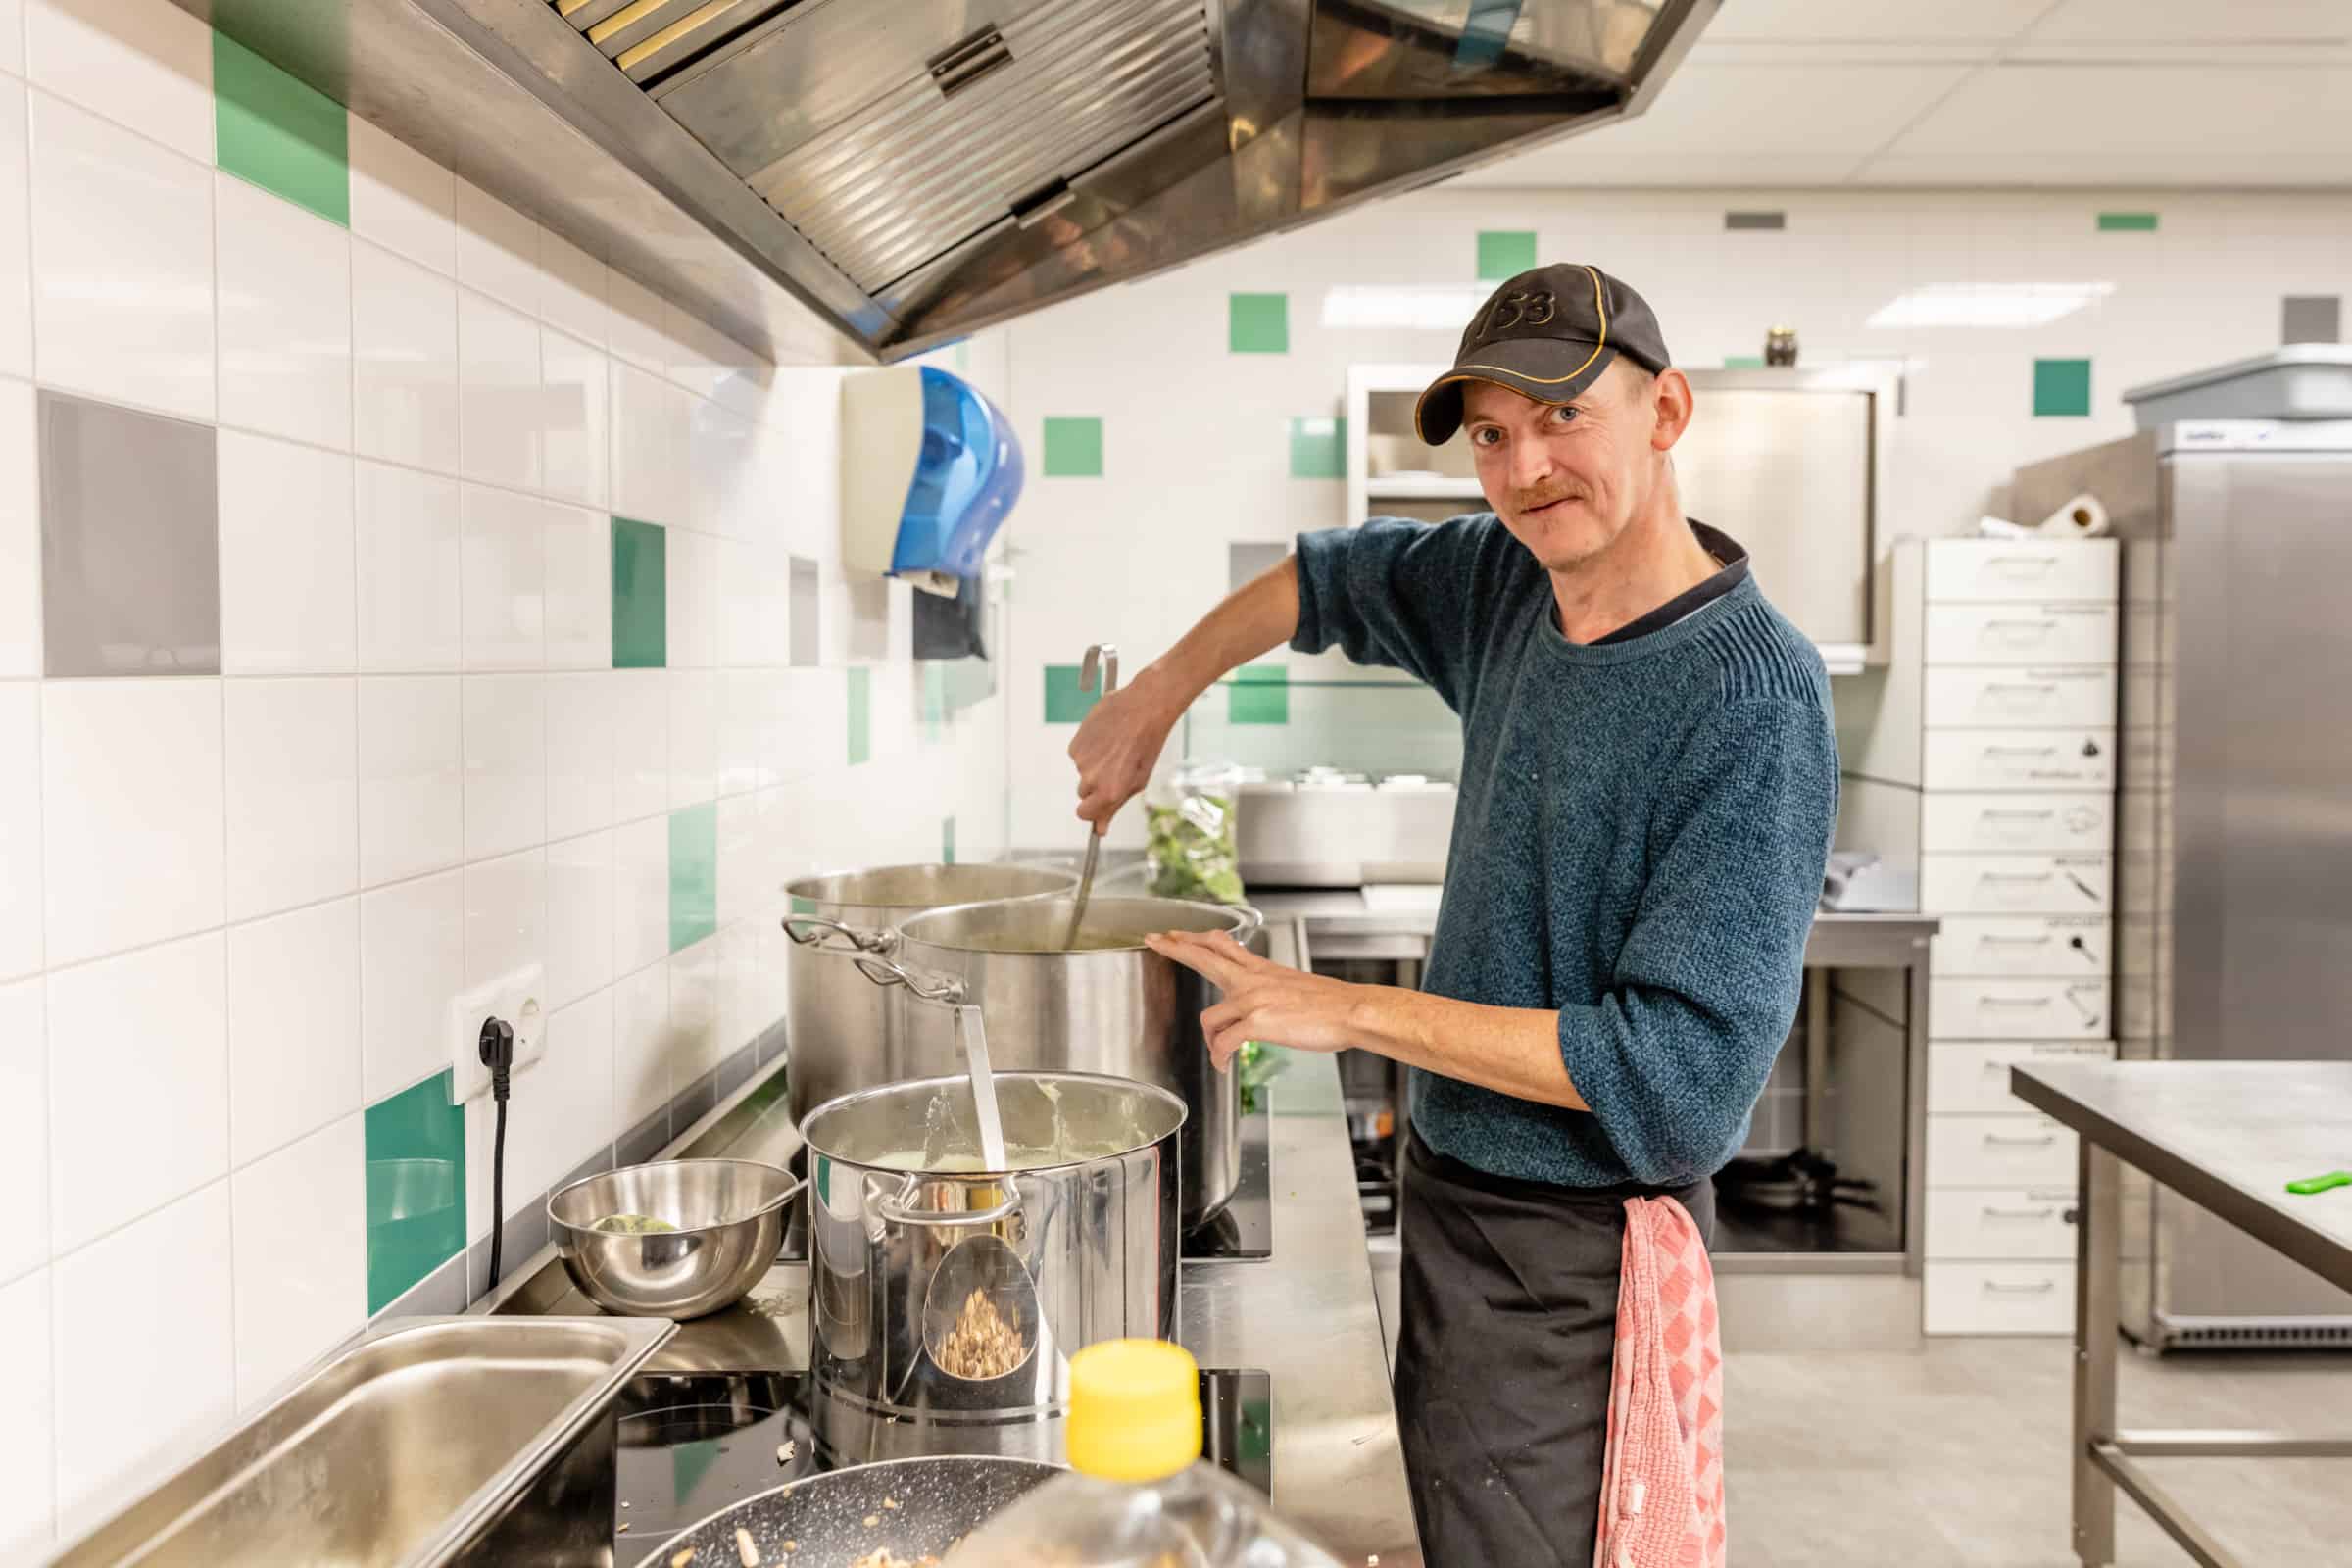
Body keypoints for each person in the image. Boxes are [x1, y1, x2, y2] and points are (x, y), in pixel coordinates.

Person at [1065, 263, 1838, 1565]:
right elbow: (1324, 580)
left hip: (1572, 1259)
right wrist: (1157, 693)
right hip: (1455, 1204)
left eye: (1562, 418)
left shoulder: (1754, 695)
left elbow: (1682, 1079)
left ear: (1666, 414)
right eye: (1491, 434)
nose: (1526, 465)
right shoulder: (1508, 582)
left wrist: (1347, 1009)